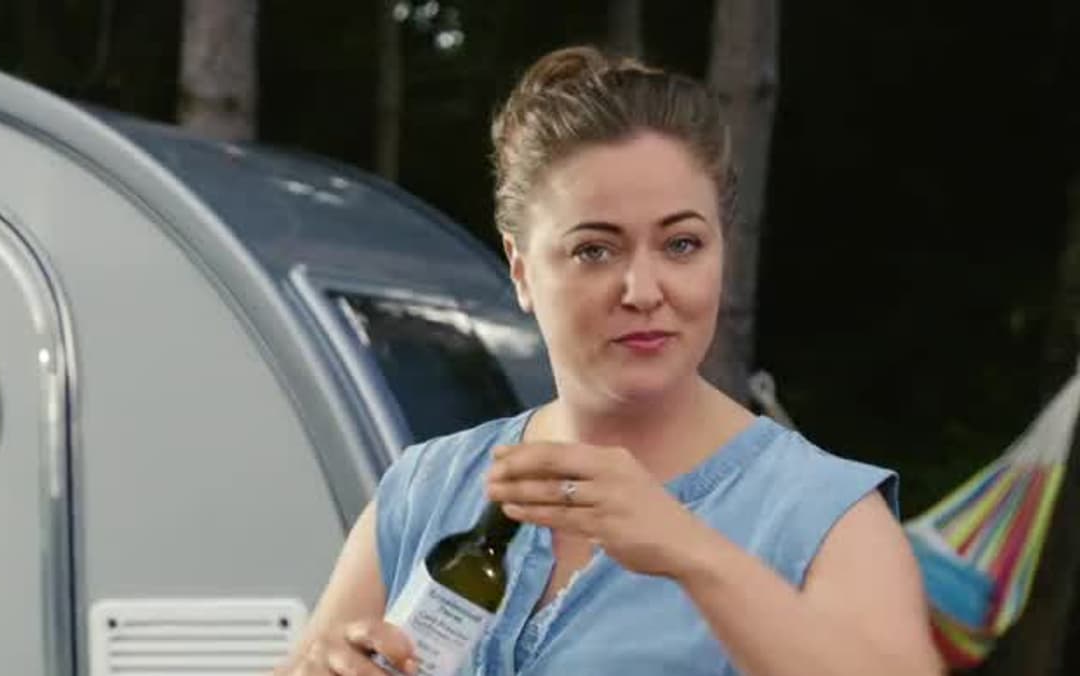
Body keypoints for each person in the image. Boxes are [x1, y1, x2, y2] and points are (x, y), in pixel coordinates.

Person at [275, 46, 943, 675]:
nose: (643, 291)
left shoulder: (825, 516)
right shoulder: (426, 490)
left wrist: (691, 553)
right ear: (521, 269)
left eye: (681, 245)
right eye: (594, 250)